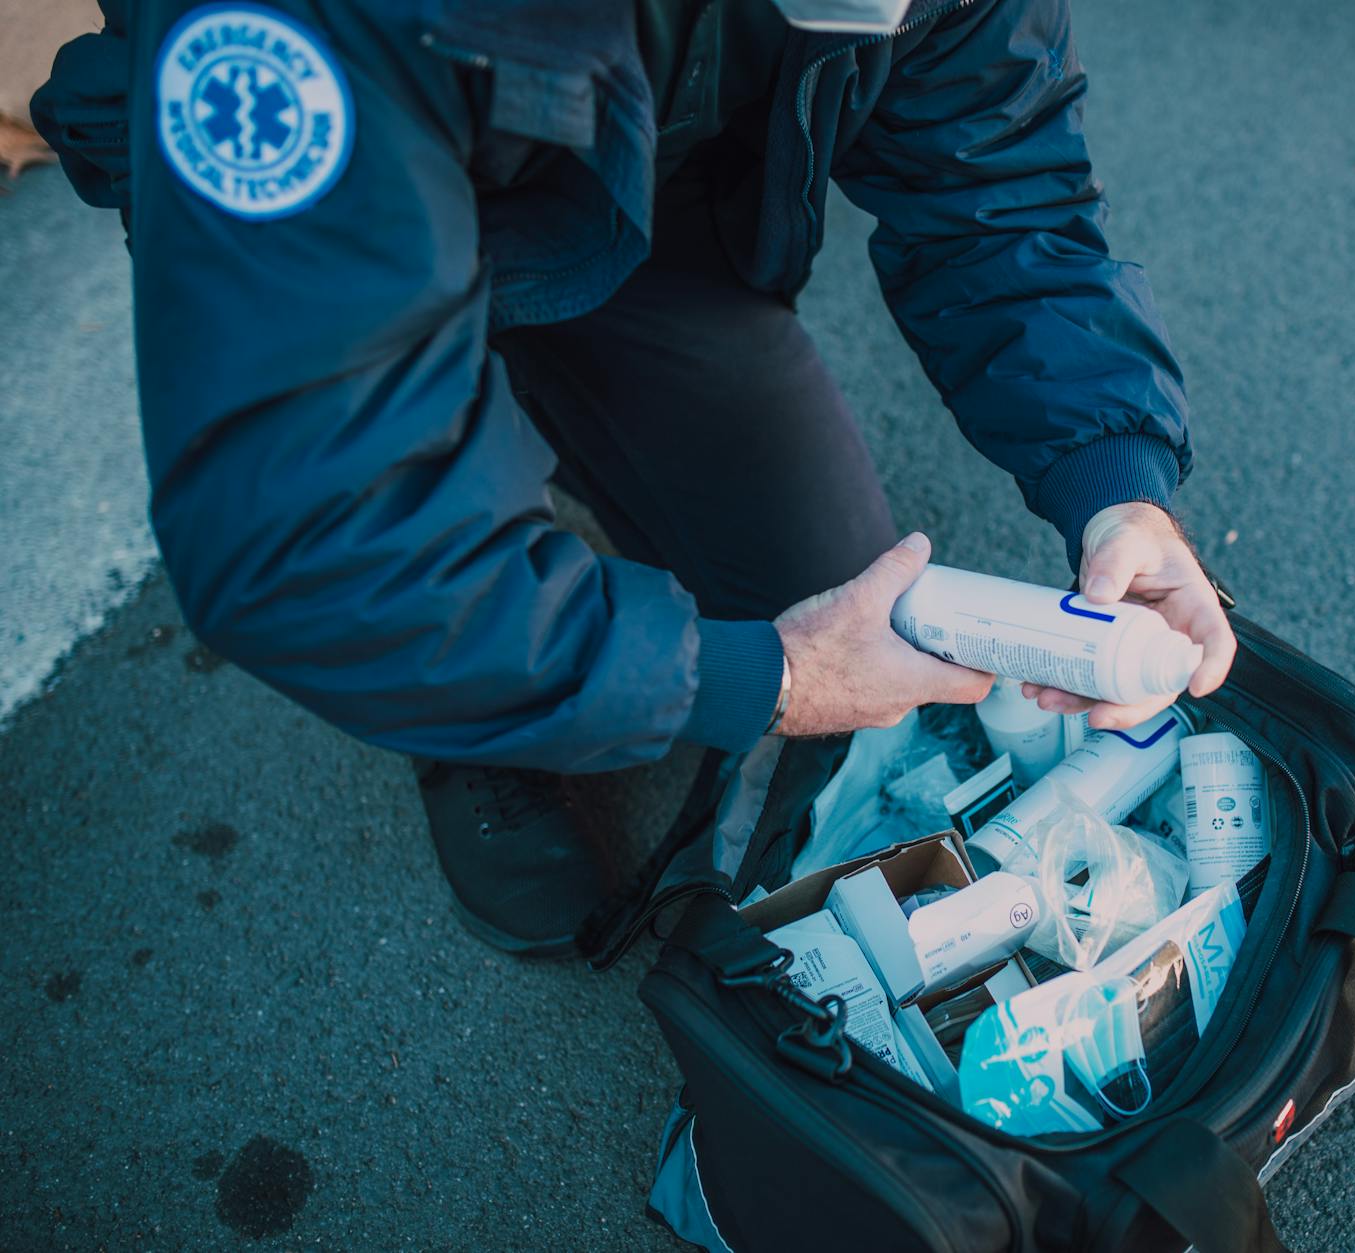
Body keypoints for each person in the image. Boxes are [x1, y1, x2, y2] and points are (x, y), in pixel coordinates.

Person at [32, 0, 1235, 959]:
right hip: (355, 223)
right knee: (428, 560)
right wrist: (770, 676)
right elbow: (311, 533)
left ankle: (530, 591)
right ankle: (467, 706)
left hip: (631, 203)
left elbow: (997, 176)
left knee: (823, 580)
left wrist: (1111, 474)